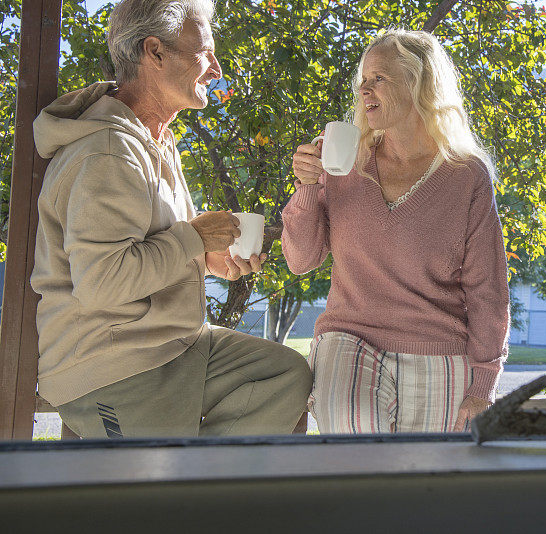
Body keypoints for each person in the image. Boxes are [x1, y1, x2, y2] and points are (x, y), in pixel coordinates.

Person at [30, 0, 311, 438]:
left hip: (175, 344)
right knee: (154, 497)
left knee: (285, 374)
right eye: (205, 52)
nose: (217, 69)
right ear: (155, 52)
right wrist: (193, 240)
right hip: (112, 363)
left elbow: (161, 246)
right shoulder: (106, 152)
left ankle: (194, 484)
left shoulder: (156, 139)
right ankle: (187, 490)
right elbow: (101, 283)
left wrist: (207, 258)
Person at [283, 29, 509, 434]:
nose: (364, 89)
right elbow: (301, 261)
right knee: (355, 427)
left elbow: (487, 290)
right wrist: (307, 188)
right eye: (363, 79)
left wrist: (483, 384)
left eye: (379, 78)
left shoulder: (467, 176)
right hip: (349, 335)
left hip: (439, 346)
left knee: (423, 481)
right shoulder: (342, 160)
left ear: (419, 82)